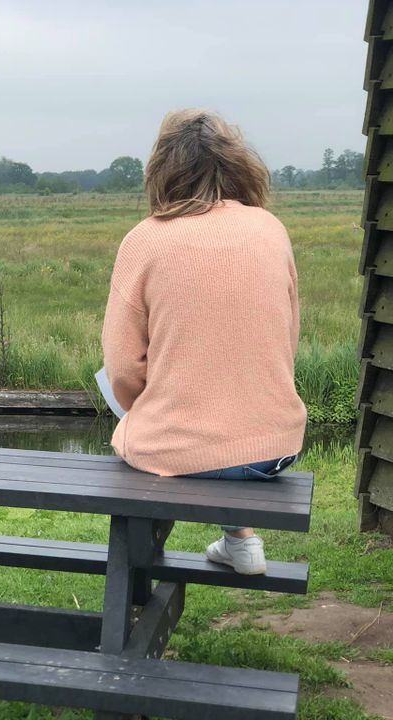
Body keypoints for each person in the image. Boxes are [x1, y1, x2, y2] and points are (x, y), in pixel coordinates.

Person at [101, 109, 306, 575]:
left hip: (171, 448)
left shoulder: (145, 240)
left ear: (162, 169)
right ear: (239, 165)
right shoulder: (271, 230)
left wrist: (146, 407)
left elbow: (122, 370)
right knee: (219, 427)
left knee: (160, 435)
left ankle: (140, 579)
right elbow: (285, 344)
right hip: (270, 449)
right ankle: (242, 537)